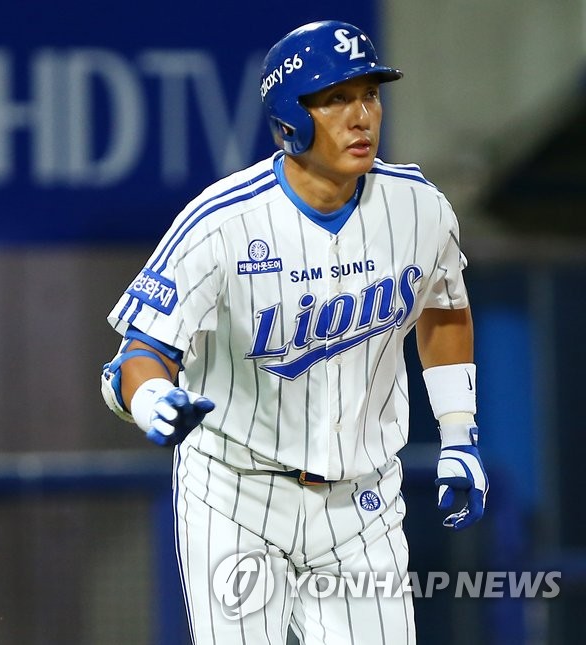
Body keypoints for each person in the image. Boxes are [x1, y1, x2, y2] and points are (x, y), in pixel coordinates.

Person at [100, 20, 487, 644]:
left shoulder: (420, 208)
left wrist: (459, 432)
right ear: (289, 117)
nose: (361, 116)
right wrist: (150, 397)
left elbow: (443, 307)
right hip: (236, 493)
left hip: (363, 502)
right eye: (334, 99)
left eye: (370, 94)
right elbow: (139, 354)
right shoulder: (220, 222)